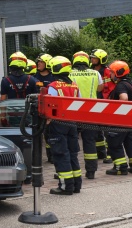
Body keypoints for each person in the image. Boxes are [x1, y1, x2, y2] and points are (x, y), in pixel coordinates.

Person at [46, 56, 82, 195]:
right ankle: (76, 185)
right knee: (73, 153)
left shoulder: (53, 86)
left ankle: (65, 187)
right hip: (72, 123)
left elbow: (50, 106)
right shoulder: (74, 85)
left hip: (58, 123)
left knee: (61, 154)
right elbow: (79, 103)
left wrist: (47, 121)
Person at [68, 51, 103, 179]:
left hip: (74, 112)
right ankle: (91, 171)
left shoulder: (70, 74)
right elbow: (100, 88)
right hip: (91, 112)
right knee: (90, 142)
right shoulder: (95, 73)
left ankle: (72, 169)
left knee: (72, 141)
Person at [105, 60, 132, 176]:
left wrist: (117, 112)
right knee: (130, 142)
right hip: (130, 119)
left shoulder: (121, 85)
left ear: (118, 73)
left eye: (111, 72)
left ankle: (120, 168)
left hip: (120, 119)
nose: (110, 75)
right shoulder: (130, 82)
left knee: (114, 142)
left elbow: (124, 98)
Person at [89, 49, 115, 162]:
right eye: (91, 57)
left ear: (100, 60)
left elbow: (112, 88)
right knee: (96, 129)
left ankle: (111, 153)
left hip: (105, 102)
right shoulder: (90, 70)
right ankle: (100, 152)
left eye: (94, 58)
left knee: (107, 129)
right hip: (94, 102)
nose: (91, 59)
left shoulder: (107, 72)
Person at [33, 53, 55, 163]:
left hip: (49, 110)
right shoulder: (34, 77)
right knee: (36, 133)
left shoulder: (53, 77)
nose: (38, 63)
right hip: (36, 109)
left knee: (49, 134)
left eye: (41, 62)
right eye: (38, 62)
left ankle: (51, 156)